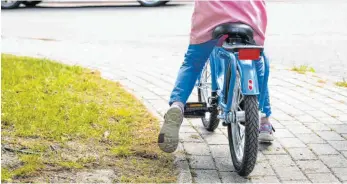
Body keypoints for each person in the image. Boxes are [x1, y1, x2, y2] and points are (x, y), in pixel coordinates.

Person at [158, 1, 274, 153]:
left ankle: (177, 105)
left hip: (212, 15)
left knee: (193, 62)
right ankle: (264, 119)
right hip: (249, 16)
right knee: (257, 61)